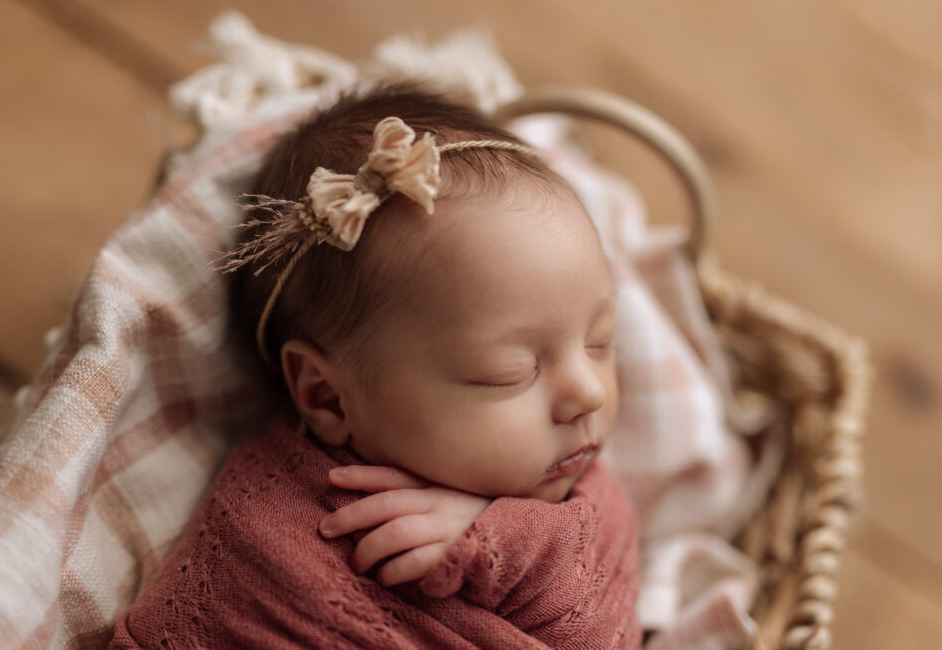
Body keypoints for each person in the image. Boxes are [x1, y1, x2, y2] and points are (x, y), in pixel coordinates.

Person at [110, 84, 641, 649]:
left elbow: (601, 619)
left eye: (599, 342)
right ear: (327, 398)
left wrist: (501, 540)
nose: (587, 392)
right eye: (508, 373)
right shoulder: (268, 541)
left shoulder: (560, 479)